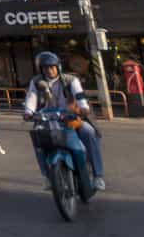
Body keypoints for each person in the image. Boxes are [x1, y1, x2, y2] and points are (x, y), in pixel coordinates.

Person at [23, 51, 106, 191]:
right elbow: (31, 97)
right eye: (45, 68)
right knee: (37, 141)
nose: (49, 70)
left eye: (52, 67)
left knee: (88, 131)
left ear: (58, 67)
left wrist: (83, 107)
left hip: (70, 117)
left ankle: (98, 176)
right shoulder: (37, 82)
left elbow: (79, 95)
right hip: (47, 119)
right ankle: (47, 177)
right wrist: (28, 112)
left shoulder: (70, 80)